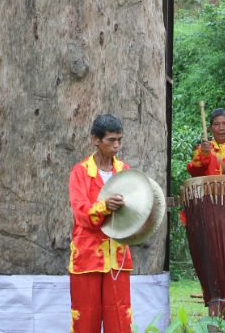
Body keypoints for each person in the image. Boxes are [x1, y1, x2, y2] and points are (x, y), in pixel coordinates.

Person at [68, 114, 133, 333]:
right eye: (111, 140)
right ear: (95, 140)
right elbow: (81, 213)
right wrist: (104, 207)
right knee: (85, 319)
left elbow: (134, 212)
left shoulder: (124, 171)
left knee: (120, 319)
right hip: (87, 256)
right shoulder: (80, 172)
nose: (117, 146)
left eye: (119, 140)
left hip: (118, 255)